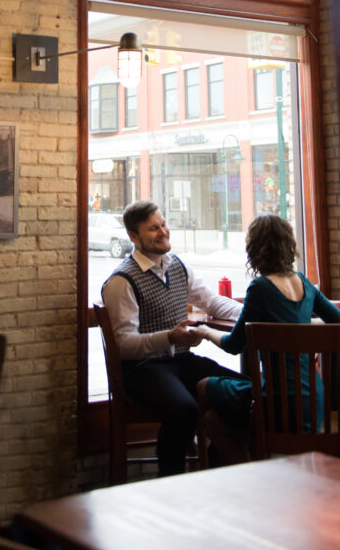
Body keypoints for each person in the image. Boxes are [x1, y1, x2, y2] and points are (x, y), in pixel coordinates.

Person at [101, 199, 241, 476]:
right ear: (133, 237)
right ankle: (170, 484)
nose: (163, 231)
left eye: (163, 224)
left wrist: (252, 313)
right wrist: (170, 337)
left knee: (244, 391)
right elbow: (123, 346)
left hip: (181, 361)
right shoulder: (121, 281)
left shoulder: (177, 266)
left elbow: (212, 302)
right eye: (153, 228)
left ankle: (218, 468)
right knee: (183, 409)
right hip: (142, 369)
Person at [195, 213, 340, 465]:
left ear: (255, 249)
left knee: (202, 388)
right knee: (214, 418)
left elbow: (234, 345)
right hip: (314, 402)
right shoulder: (305, 284)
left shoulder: (260, 288)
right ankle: (255, 465)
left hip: (278, 401)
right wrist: (305, 325)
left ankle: (248, 470)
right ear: (289, 245)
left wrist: (205, 331)